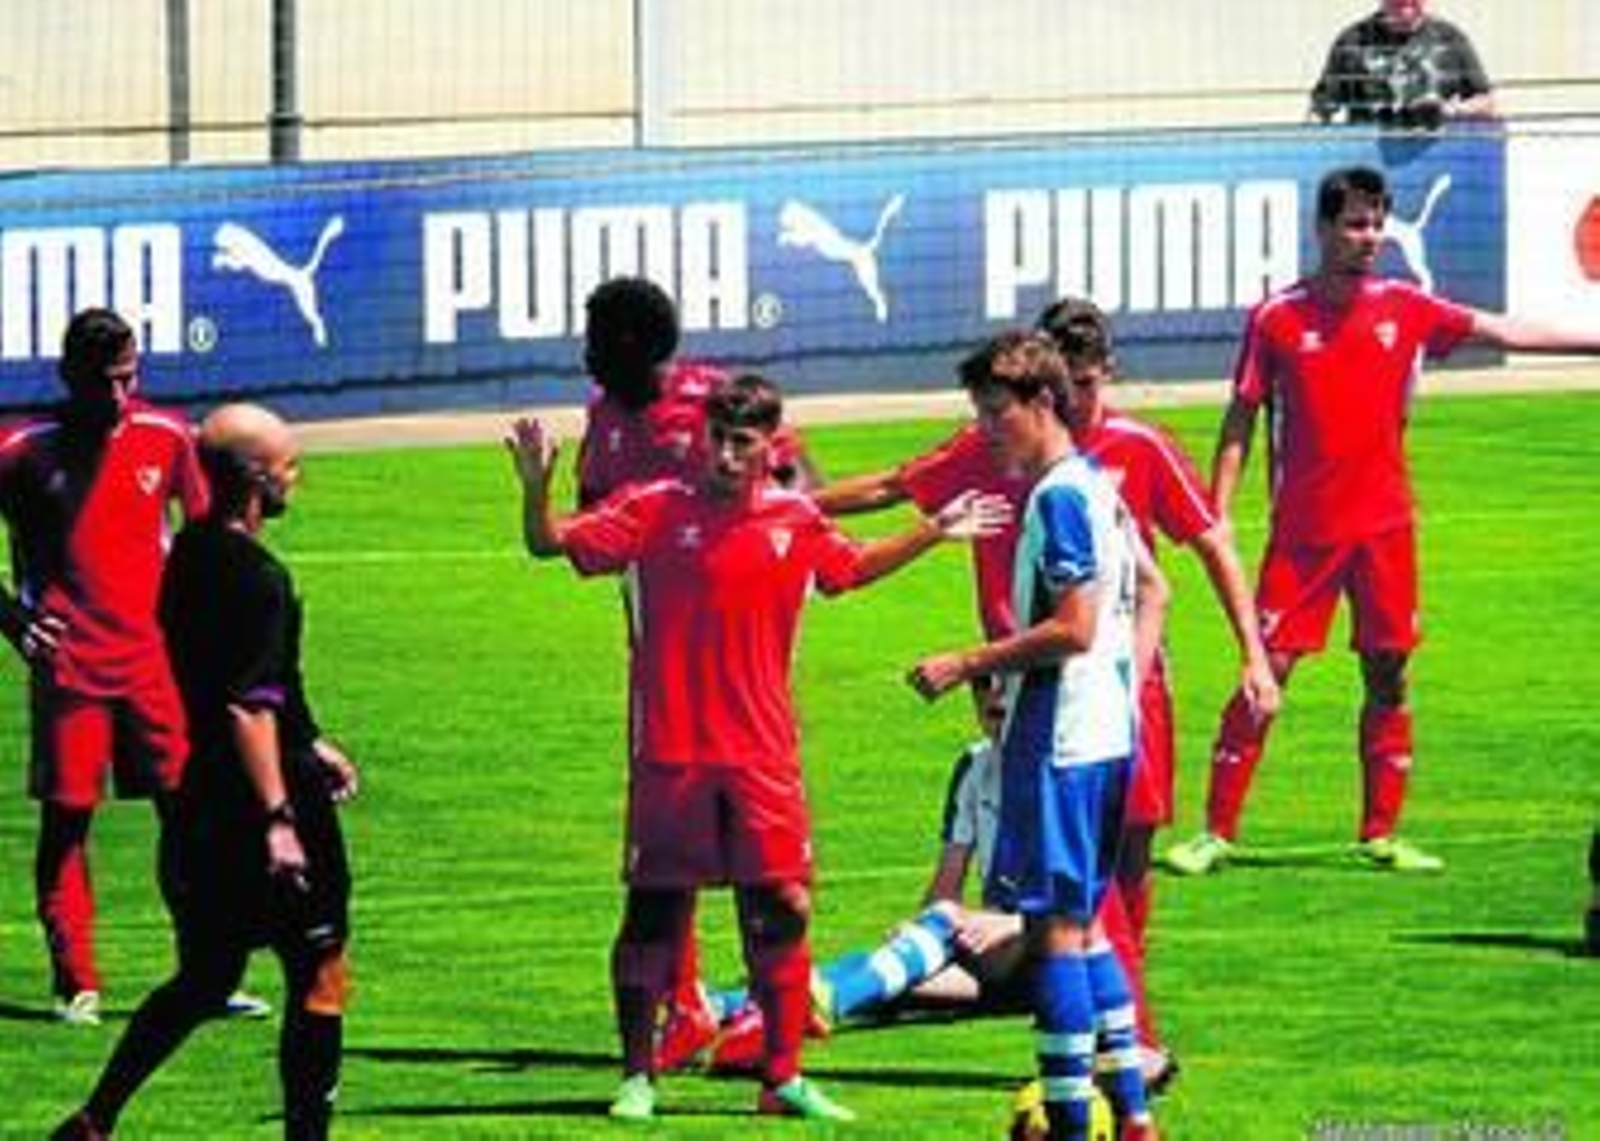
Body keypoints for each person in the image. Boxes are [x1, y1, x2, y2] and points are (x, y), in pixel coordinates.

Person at [507, 372, 1005, 1123]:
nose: (726, 455)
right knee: (653, 915)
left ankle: (781, 1079)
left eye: (742, 442)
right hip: (671, 755)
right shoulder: (651, 510)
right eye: (716, 438)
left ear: (772, 446)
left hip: (763, 758)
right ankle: (638, 1075)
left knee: (783, 906)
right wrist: (536, 486)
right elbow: (549, 544)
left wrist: (933, 532)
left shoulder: (795, 520)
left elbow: (851, 568)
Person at [1165, 165, 1600, 878]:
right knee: (1264, 672)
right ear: (1324, 229)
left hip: (1385, 530)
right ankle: (1215, 831)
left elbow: (1505, 328)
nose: (1367, 237)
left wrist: (1594, 342)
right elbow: (1241, 416)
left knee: (1389, 673)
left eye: (1376, 224)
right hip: (1303, 536)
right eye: (1354, 224)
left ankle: (1379, 831)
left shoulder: (1407, 306)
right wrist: (1218, 511)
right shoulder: (1277, 318)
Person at [52, 403, 359, 1141]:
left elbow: (249, 675)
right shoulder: (260, 576)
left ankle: (95, 1119)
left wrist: (310, 735)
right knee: (319, 971)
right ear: (256, 480)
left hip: (196, 803)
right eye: (289, 465)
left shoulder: (185, 555)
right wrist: (281, 820)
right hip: (261, 800)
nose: (298, 476)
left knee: (207, 974)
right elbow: (247, 705)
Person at [909, 331, 1167, 1141]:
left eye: (996, 414)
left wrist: (967, 660)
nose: (987, 431)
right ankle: (1133, 1116)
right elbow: (1151, 591)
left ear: (1043, 403)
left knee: (1057, 929)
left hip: (1057, 742)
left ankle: (1069, 1117)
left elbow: (1075, 625)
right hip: (1106, 737)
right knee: (1087, 925)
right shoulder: (1097, 484)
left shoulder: (1059, 496)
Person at [572, 276, 819, 1073]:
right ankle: (686, 1008)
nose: (585, 350)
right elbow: (588, 514)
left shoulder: (710, 401)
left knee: (762, 847)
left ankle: (773, 1007)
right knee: (670, 846)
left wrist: (776, 555)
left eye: (597, 335)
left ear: (638, 344)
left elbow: (797, 478)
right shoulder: (604, 415)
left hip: (743, 629)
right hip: (660, 647)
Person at [0, 308, 212, 1026]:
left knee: (185, 814)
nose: (120, 396)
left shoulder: (168, 436)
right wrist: (13, 618)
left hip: (153, 658)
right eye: (104, 381)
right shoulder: (24, 450)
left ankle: (203, 971)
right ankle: (76, 982)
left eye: (129, 378)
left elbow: (208, 539)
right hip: (70, 664)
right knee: (68, 822)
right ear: (68, 376)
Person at [1310, 0, 1497, 129]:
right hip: (1368, 160)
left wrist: (1449, 110)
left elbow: (1486, 102)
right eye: (1398, 2)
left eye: (1413, 1)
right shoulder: (1353, 40)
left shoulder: (1449, 38)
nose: (1406, 8)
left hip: (1437, 156)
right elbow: (1320, 108)